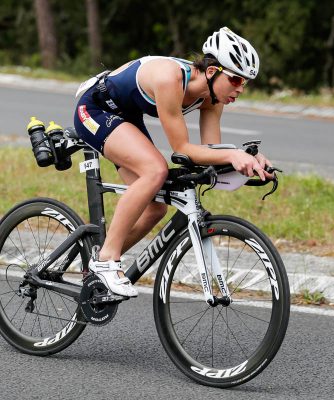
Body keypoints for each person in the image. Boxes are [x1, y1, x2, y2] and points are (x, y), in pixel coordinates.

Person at [74, 26, 273, 297]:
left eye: (245, 83)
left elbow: (210, 153)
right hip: (95, 109)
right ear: (213, 72)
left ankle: (96, 261)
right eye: (236, 80)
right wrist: (232, 154)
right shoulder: (170, 79)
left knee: (155, 208)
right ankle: (107, 259)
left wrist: (249, 159)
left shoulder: (214, 98)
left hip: (126, 117)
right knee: (154, 170)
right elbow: (182, 148)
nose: (240, 89)